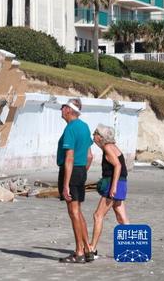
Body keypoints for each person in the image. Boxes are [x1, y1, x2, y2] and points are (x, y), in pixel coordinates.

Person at [57, 98, 94, 263]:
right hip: (80, 171)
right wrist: (82, 173)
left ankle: (79, 251)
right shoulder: (85, 126)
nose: (61, 110)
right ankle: (88, 249)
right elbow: (89, 156)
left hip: (71, 172)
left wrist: (66, 184)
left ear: (69, 110)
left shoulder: (71, 128)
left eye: (63, 107)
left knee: (73, 213)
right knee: (78, 211)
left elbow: (69, 158)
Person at [86, 124, 129, 261]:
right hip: (121, 183)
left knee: (98, 215)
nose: (93, 136)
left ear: (101, 137)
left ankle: (92, 248)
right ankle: (133, 247)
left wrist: (113, 187)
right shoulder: (112, 147)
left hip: (115, 184)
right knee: (121, 217)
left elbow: (118, 165)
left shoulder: (107, 148)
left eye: (95, 133)